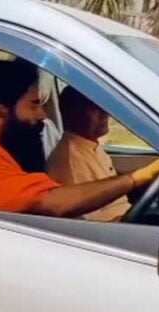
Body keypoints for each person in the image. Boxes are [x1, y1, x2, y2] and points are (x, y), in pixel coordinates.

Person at [0, 60, 159, 218]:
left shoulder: (0, 150)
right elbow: (52, 202)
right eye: (34, 104)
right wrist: (139, 176)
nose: (42, 115)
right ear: (0, 112)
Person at [47, 86, 130, 222]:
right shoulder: (71, 160)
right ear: (73, 115)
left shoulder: (89, 145)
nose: (104, 113)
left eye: (103, 106)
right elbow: (89, 223)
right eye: (94, 108)